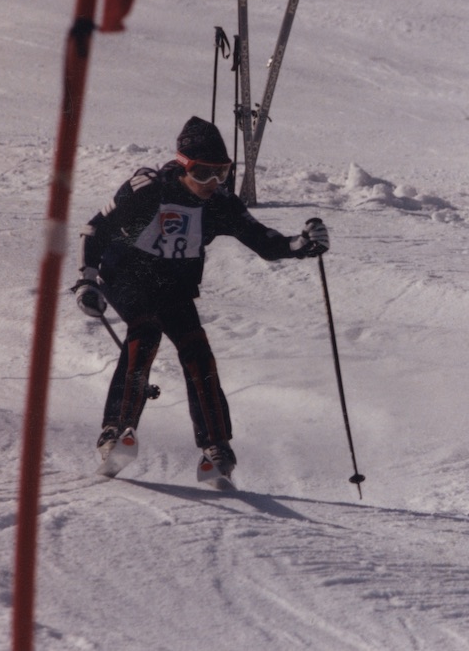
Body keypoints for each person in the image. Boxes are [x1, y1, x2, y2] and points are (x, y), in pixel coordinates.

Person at [72, 116, 329, 479]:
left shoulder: (219, 202)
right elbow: (93, 230)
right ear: (183, 165)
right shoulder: (148, 189)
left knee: (198, 352)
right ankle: (114, 431)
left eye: (221, 172)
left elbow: (265, 242)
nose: (213, 182)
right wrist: (87, 281)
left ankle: (216, 448)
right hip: (127, 274)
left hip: (172, 284)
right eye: (203, 171)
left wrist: (302, 245)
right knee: (144, 334)